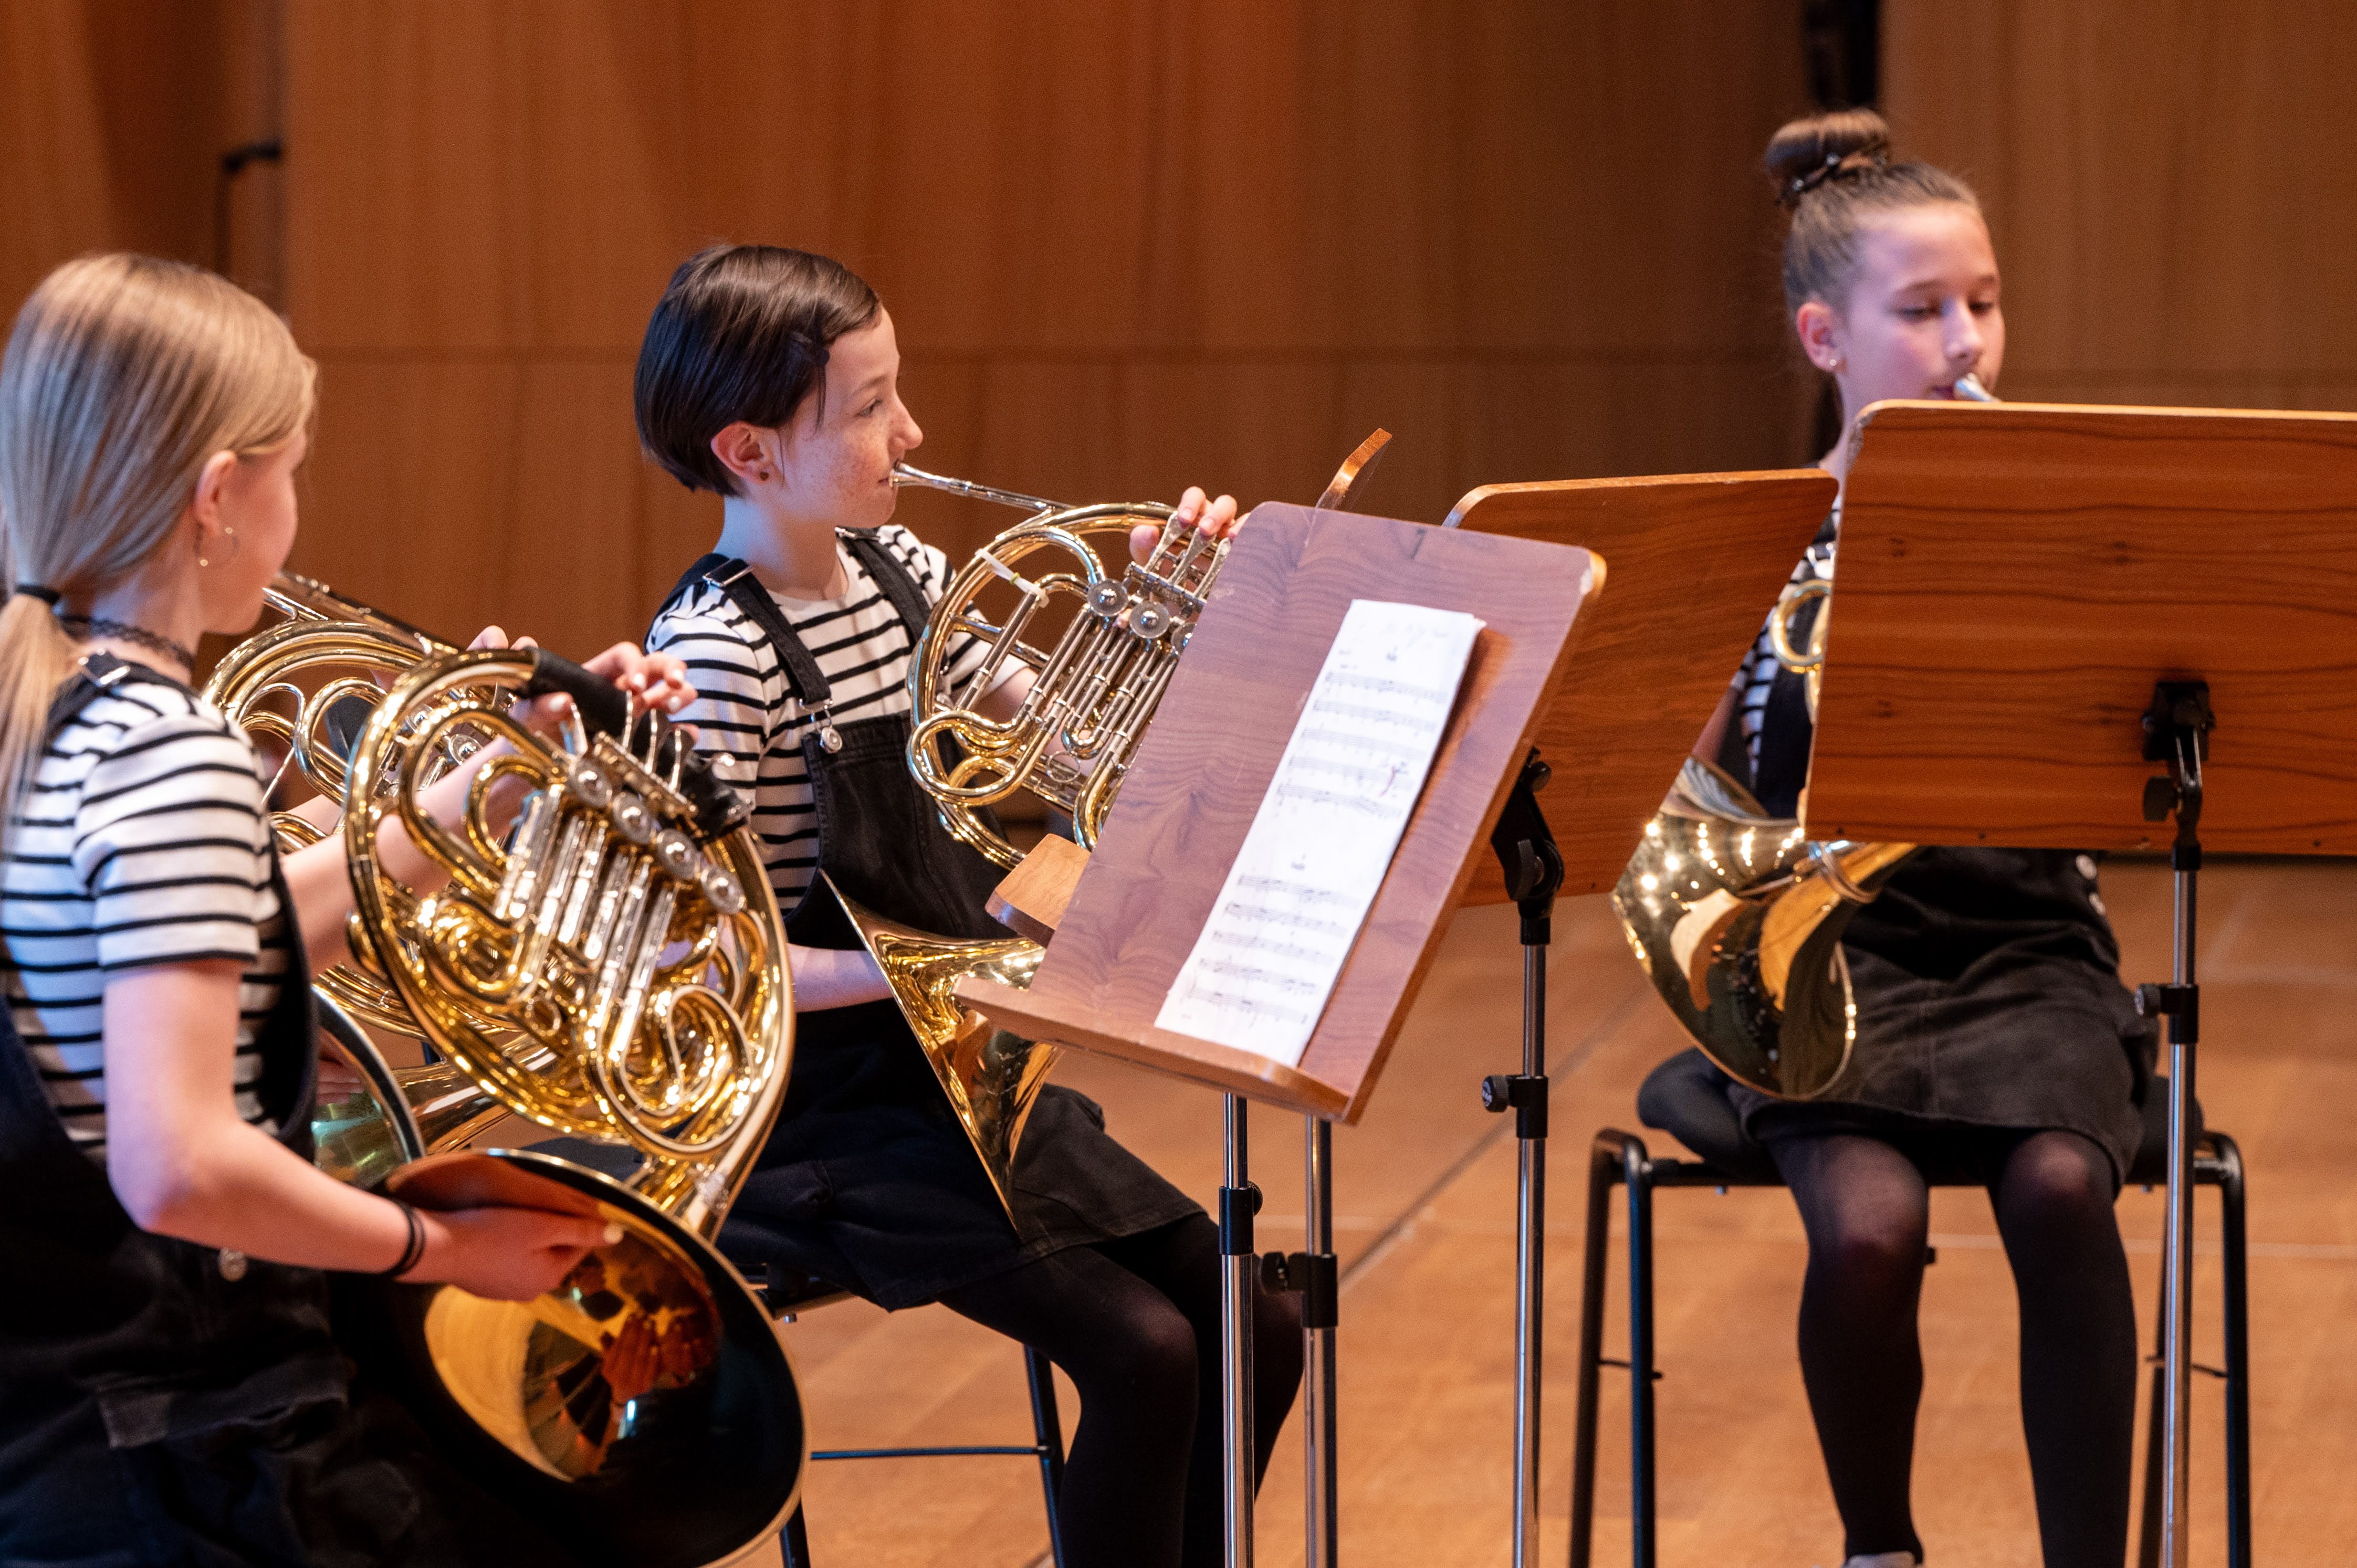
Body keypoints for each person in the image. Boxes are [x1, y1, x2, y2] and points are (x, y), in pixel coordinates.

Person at [0, 252, 696, 1565]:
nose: (293, 515)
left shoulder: (54, 718)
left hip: (65, 1417)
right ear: (219, 496)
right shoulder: (172, 756)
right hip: (194, 1453)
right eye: (294, 472)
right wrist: (442, 1247)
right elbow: (178, 1164)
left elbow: (237, 932)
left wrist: (492, 779)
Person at [634, 244, 1303, 1568]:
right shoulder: (712, 656)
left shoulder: (899, 569)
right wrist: (920, 979)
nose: (913, 433)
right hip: (820, 1113)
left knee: (1257, 1329)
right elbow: (703, 961)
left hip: (959, 1073)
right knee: (1149, 1353)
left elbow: (1074, 742)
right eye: (871, 406)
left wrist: (1178, 614)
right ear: (750, 452)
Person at [1684, 111, 2152, 1568]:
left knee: (2063, 1190)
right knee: (1869, 1233)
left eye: (1985, 304)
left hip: (2029, 956)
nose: (1967, 343)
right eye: (1924, 310)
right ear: (1824, 338)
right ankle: (1877, 1548)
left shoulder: (2061, 526)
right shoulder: (1756, 539)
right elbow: (1690, 793)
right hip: (1826, 960)